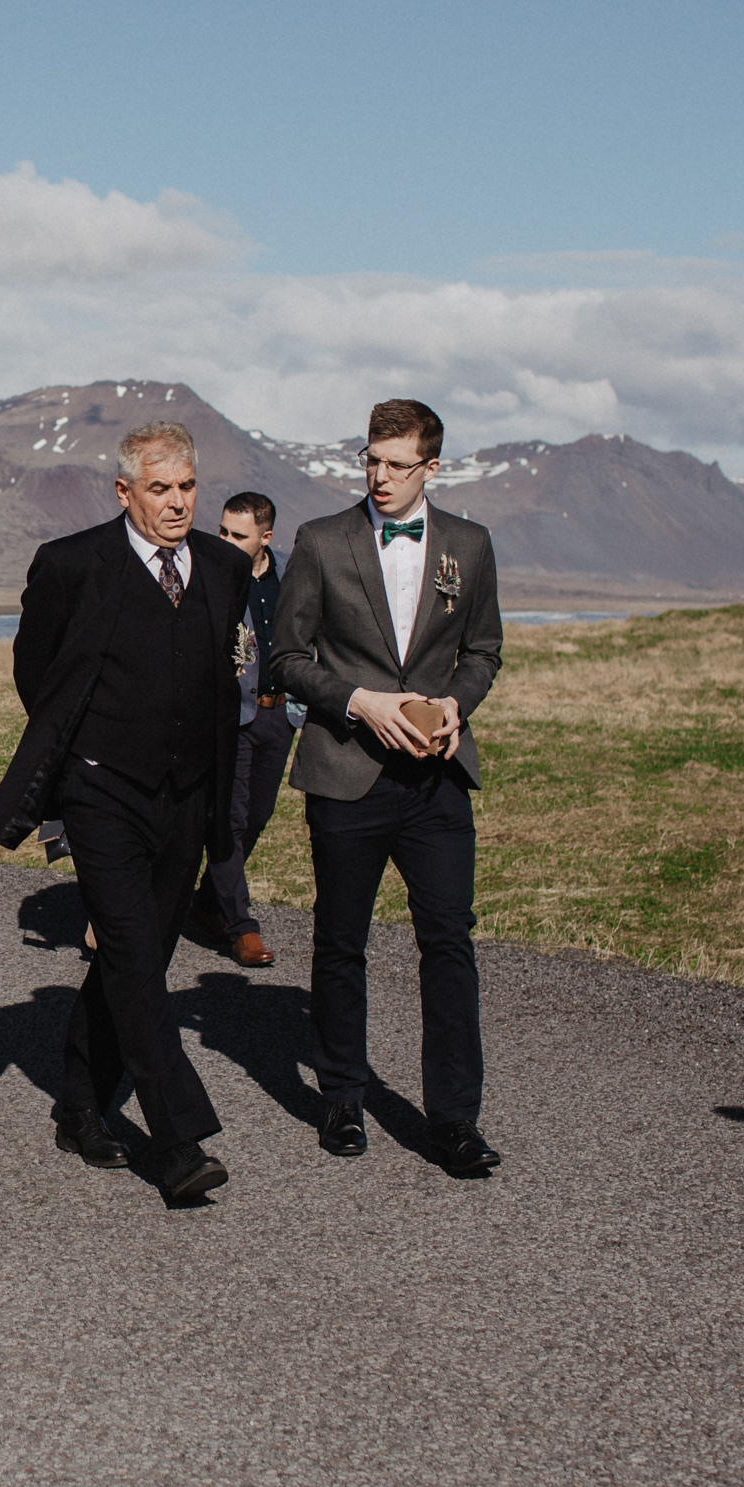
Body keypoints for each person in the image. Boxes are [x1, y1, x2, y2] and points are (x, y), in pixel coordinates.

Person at [0, 421, 250, 1204]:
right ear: (124, 491)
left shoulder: (227, 567)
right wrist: (87, 754)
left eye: (187, 487)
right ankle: (177, 1141)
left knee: (137, 960)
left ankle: (77, 1103)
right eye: (159, 489)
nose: (176, 503)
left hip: (187, 795)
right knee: (133, 951)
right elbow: (39, 673)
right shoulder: (72, 565)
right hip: (102, 791)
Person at [267, 397, 505, 1175]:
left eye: (397, 464)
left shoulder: (469, 545)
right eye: (371, 459)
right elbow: (286, 656)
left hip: (436, 780)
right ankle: (342, 1097)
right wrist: (357, 701)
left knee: (449, 943)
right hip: (346, 770)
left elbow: (483, 651)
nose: (379, 476)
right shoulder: (322, 540)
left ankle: (455, 1120)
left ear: (432, 467)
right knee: (341, 941)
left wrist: (454, 703)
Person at [192, 490, 294, 969]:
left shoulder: (292, 576)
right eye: (222, 531)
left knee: (257, 815)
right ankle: (241, 927)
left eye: (239, 535)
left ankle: (208, 903)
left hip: (281, 714)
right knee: (229, 819)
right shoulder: (208, 572)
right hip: (230, 715)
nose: (226, 541)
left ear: (265, 538)